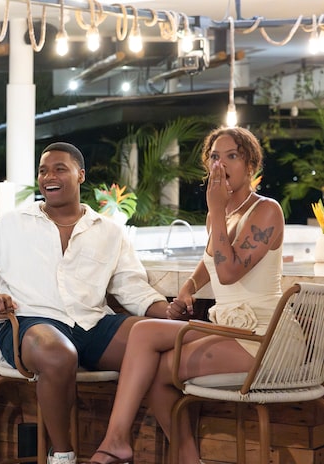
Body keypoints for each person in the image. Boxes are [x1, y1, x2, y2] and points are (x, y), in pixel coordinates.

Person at [0, 142, 171, 464]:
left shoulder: (109, 231)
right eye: (43, 171)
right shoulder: (10, 223)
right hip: (29, 324)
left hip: (92, 324)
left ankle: (169, 450)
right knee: (59, 354)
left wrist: (165, 311)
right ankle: (62, 454)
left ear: (80, 175)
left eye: (60, 169)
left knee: (159, 341)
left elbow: (131, 287)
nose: (49, 177)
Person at [88, 127, 287, 464]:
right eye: (214, 157)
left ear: (251, 165)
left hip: (263, 337)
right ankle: (118, 440)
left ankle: (165, 454)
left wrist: (217, 210)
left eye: (232, 156)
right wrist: (189, 286)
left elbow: (228, 271)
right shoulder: (219, 215)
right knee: (143, 331)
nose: (221, 165)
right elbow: (211, 261)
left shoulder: (266, 210)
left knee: (154, 371)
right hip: (230, 327)